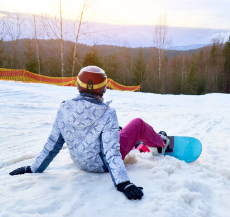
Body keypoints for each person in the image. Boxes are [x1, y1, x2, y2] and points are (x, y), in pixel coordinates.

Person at [9, 66, 170, 201]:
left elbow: (53, 144)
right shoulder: (107, 113)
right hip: (103, 165)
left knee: (119, 130)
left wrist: (33, 168)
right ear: (104, 88)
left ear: (78, 86)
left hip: (80, 162)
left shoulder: (64, 108)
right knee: (137, 124)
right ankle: (161, 144)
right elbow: (111, 152)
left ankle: (137, 143)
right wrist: (123, 182)